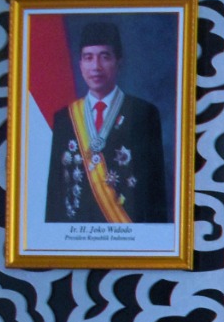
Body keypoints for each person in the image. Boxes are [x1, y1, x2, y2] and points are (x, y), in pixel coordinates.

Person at [44, 17, 171, 224]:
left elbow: (154, 191)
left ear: (119, 62)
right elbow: (56, 193)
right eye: (88, 58)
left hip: (129, 232)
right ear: (80, 64)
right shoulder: (65, 118)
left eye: (105, 57)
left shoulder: (143, 114)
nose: (96, 67)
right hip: (77, 234)